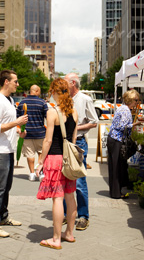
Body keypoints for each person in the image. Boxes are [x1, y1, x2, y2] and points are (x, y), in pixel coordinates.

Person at [34, 78, 79, 250]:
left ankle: (56, 238)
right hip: (69, 158)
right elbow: (73, 139)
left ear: (54, 92)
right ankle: (69, 233)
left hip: (54, 158)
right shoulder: (74, 112)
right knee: (70, 196)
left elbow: (48, 140)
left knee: (58, 198)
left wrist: (40, 162)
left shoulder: (52, 112)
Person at [0, 70, 29, 238]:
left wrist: (18, 131)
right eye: (15, 81)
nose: (17, 84)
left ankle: (2, 217)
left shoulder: (9, 100)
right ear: (6, 82)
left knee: (6, 186)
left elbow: (6, 124)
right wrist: (16, 122)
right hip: (0, 150)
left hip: (8, 148)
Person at [61, 73, 98, 231]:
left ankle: (83, 216)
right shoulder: (63, 98)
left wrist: (76, 128)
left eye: (65, 83)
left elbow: (94, 122)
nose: (63, 85)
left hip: (79, 142)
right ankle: (66, 213)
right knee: (63, 179)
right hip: (64, 142)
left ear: (73, 83)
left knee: (80, 181)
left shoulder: (84, 99)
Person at [106, 90, 141, 198]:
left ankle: (115, 191)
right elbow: (122, 126)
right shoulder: (126, 110)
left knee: (115, 166)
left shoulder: (122, 108)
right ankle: (116, 193)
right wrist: (135, 124)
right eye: (136, 100)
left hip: (113, 138)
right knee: (117, 166)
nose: (137, 103)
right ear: (130, 100)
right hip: (117, 139)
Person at [17, 85, 49, 182]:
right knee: (41, 152)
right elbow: (48, 117)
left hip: (26, 133)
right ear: (37, 91)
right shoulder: (42, 102)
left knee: (30, 154)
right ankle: (40, 172)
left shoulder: (22, 103)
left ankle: (31, 174)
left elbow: (17, 118)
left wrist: (19, 129)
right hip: (40, 132)